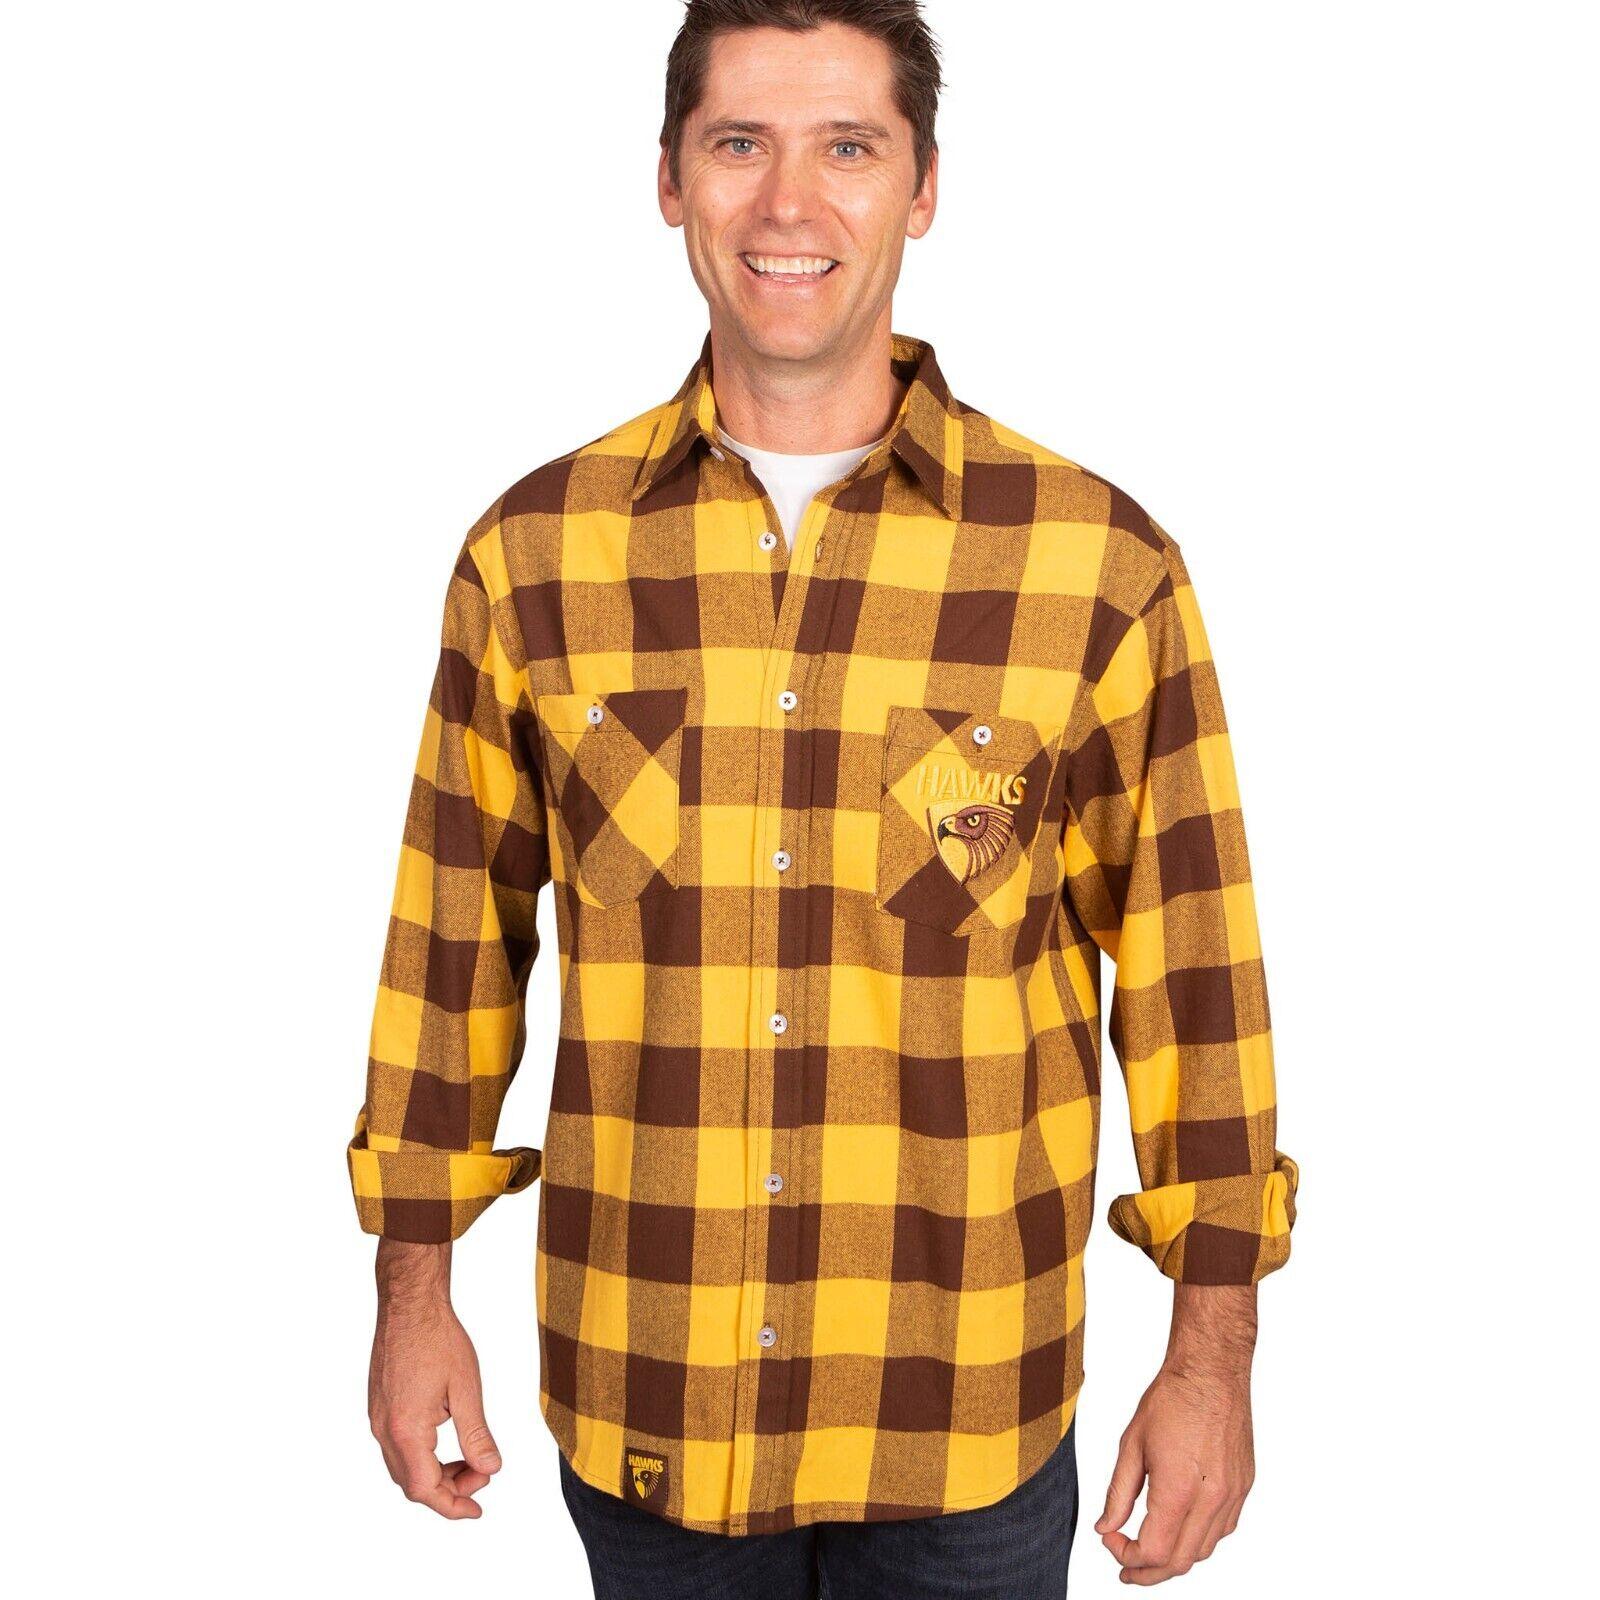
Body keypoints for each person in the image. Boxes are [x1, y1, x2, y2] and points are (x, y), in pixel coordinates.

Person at [346, 3, 1298, 1595]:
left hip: (968, 1420)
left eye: (848, 146)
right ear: (670, 178)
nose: (788, 202)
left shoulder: (1099, 569)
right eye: (740, 143)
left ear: (922, 187)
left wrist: (1213, 1363)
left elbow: (1194, 986)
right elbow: (451, 959)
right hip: (651, 1403)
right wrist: (412, 1294)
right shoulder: (532, 560)